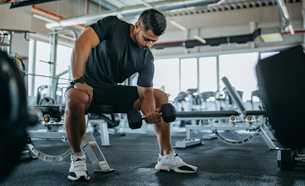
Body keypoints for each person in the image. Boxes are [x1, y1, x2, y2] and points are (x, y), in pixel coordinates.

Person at [64, 8, 198, 181]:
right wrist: (78, 80)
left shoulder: (146, 59)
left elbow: (146, 94)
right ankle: (77, 159)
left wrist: (149, 112)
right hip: (87, 85)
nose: (149, 45)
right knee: (74, 98)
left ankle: (166, 156)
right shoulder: (112, 25)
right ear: (137, 26)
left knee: (160, 97)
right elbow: (81, 43)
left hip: (112, 90)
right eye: (147, 39)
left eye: (154, 41)